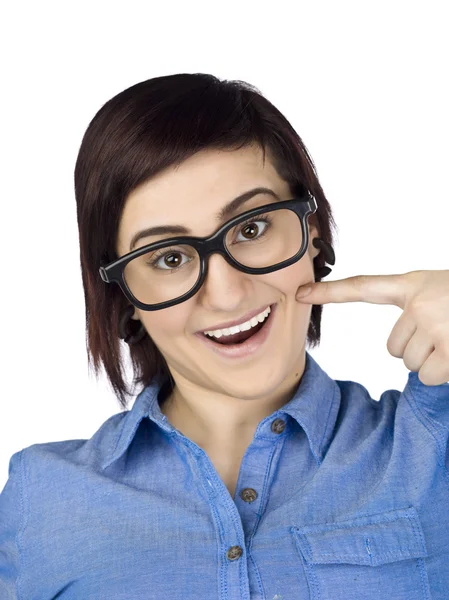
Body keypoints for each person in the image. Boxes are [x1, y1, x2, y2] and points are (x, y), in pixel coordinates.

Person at [1, 73, 448, 599]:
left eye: (252, 228)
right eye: (168, 258)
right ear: (126, 297)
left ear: (313, 231)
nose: (228, 294)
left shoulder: (431, 443)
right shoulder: (43, 497)